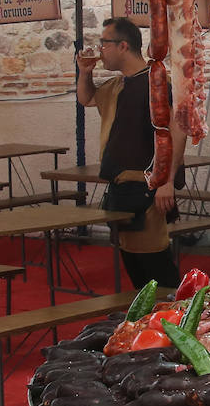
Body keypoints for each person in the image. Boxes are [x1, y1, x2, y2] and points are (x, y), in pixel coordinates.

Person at [76, 16, 185, 290]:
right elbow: (86, 98)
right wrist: (85, 72)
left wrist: (167, 181)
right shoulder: (118, 85)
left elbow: (178, 131)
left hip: (148, 186)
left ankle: (180, 323)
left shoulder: (158, 81)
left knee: (156, 270)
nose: (100, 50)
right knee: (136, 268)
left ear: (123, 46)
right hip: (121, 186)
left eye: (104, 44)